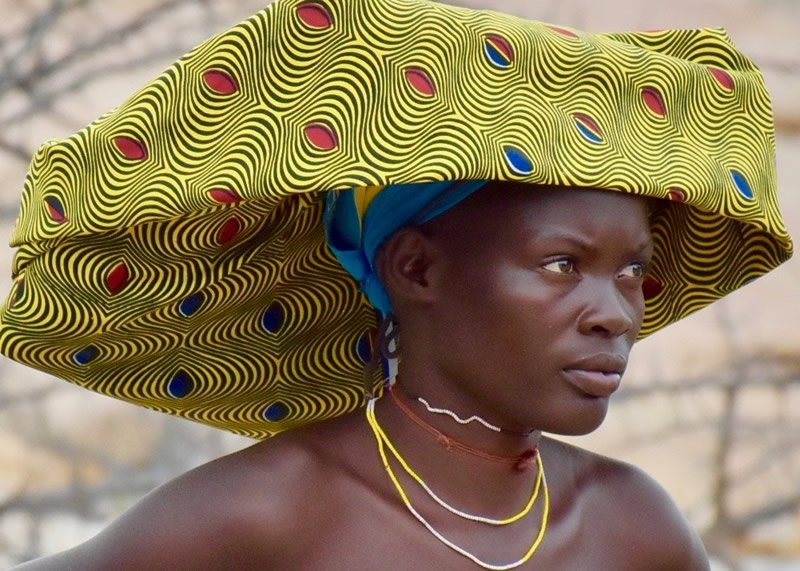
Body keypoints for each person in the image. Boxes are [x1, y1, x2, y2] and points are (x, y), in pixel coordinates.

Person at [0, 0, 792, 569]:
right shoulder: (269, 513)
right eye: (563, 265)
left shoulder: (634, 528)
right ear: (415, 268)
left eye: (632, 272)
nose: (615, 315)